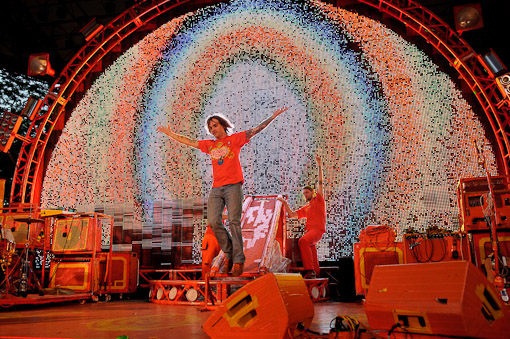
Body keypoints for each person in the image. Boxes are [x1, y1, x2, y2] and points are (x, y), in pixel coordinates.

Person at [158, 107, 288, 276]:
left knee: (234, 221)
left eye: (215, 125)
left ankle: (238, 260)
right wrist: (171, 134)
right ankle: (229, 252)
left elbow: (256, 130)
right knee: (213, 221)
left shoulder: (235, 139)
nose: (213, 130)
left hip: (233, 186)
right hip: (217, 188)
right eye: (210, 128)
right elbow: (189, 141)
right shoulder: (210, 145)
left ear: (223, 125)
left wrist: (273, 116)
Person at [277, 154, 325, 279]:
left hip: (317, 231)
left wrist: (319, 165)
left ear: (313, 192)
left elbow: (320, 183)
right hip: (311, 231)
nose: (305, 195)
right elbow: (292, 215)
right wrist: (285, 203)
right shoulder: (306, 208)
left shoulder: (319, 200)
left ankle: (310, 270)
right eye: (304, 193)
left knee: (303, 241)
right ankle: (316, 273)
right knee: (310, 247)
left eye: (307, 192)